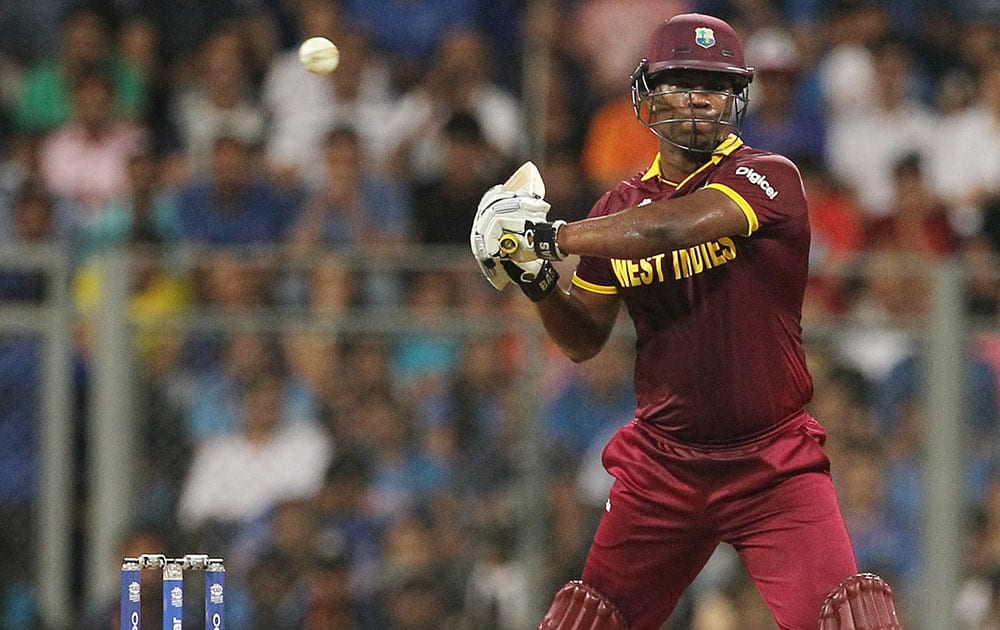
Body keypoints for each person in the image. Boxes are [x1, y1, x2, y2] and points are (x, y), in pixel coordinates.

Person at [470, 13, 903, 630]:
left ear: (736, 98)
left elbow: (666, 228)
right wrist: (535, 278)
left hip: (772, 465)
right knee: (590, 620)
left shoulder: (768, 177)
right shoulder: (616, 208)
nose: (699, 97)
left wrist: (546, 234)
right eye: (681, 81)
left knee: (849, 622)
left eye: (715, 84)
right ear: (647, 93)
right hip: (663, 467)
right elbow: (584, 339)